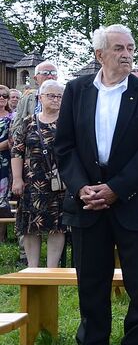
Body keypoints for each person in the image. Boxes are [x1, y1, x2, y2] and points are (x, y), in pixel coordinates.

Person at [55, 24, 138, 345]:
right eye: (119, 48)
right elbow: (65, 147)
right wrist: (80, 187)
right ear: (99, 54)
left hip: (133, 199)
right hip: (87, 200)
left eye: (131, 47)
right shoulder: (77, 90)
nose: (127, 54)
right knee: (90, 278)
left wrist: (116, 188)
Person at [10, 80, 66, 267]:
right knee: (29, 226)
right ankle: (32, 268)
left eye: (59, 96)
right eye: (51, 95)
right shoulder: (28, 122)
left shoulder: (67, 123)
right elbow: (17, 151)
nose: (56, 99)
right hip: (30, 182)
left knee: (57, 227)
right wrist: (17, 179)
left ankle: (52, 269)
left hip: (59, 183)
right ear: (40, 97)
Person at [0, 85, 14, 217]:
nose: (2, 98)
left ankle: (2, 236)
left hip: (4, 163)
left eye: (5, 96)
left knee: (2, 201)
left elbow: (12, 139)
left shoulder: (12, 117)